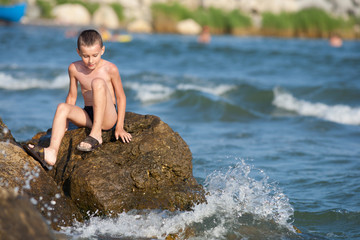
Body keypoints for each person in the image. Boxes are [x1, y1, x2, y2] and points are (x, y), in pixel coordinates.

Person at [24, 29, 132, 170]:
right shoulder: (74, 68)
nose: (90, 61)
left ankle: (96, 134)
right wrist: (66, 121)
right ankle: (51, 152)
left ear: (102, 50)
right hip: (88, 114)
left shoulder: (110, 69)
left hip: (107, 117)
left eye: (95, 55)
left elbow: (121, 97)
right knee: (62, 107)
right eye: (85, 56)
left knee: (97, 82)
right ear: (78, 52)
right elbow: (72, 96)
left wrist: (119, 127)